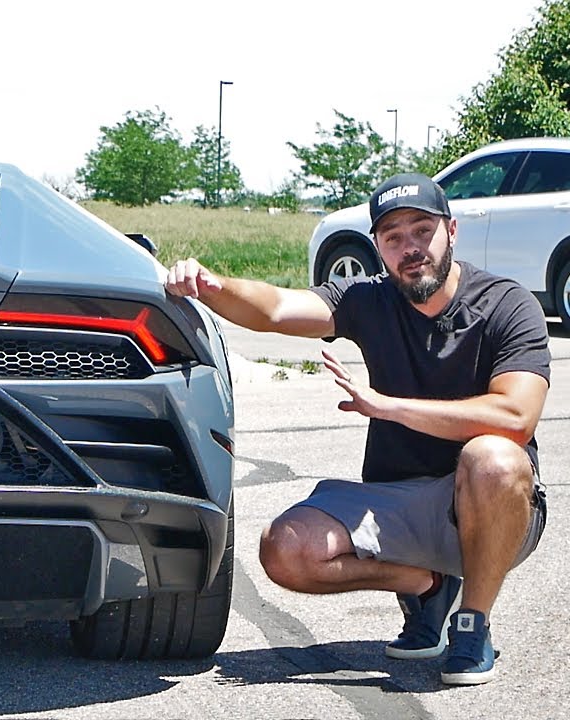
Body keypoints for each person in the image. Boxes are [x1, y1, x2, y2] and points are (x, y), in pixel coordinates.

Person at [164, 172, 550, 686]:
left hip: (493, 507)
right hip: (400, 503)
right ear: (378, 247)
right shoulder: (368, 300)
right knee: (285, 549)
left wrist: (389, 407)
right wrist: (212, 286)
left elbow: (515, 418)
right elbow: (277, 309)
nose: (410, 248)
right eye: (393, 237)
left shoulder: (506, 305)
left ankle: (472, 623)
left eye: (422, 230)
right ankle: (429, 586)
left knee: (493, 456)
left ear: (451, 231)